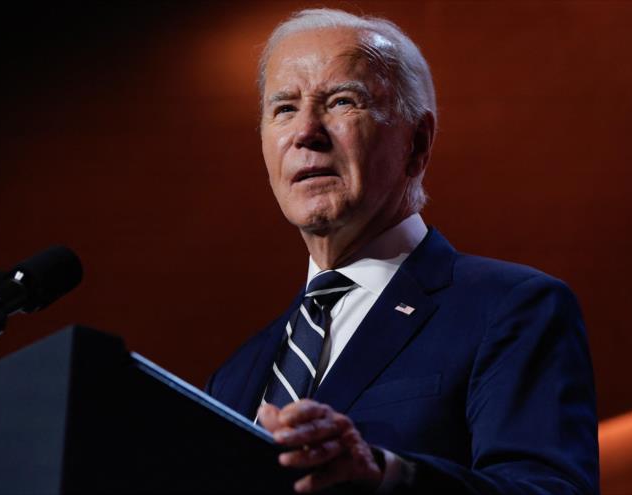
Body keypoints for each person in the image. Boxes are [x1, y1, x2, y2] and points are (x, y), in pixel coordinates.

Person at [206, 8, 599, 494]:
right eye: (284, 108)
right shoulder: (235, 376)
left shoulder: (511, 308)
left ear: (417, 142)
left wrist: (388, 475)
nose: (305, 132)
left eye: (342, 102)